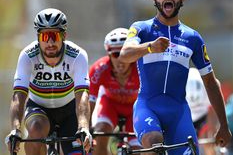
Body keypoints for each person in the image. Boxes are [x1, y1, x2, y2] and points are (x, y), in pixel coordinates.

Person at [118, 0, 231, 155]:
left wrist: (224, 125)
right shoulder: (141, 29)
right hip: (148, 107)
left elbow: (210, 82)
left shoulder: (193, 38)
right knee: (155, 144)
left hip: (178, 111)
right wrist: (149, 47)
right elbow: (125, 54)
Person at [5, 8, 92, 155]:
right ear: (38, 37)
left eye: (55, 36)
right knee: (36, 129)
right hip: (39, 108)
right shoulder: (28, 55)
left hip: (70, 110)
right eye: (45, 37)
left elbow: (82, 95)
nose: (50, 42)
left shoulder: (77, 55)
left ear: (64, 36)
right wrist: (15, 129)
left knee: (82, 148)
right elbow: (18, 96)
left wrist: (83, 126)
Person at [89, 28, 140, 155]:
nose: (120, 60)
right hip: (110, 105)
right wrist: (87, 128)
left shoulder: (140, 68)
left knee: (138, 149)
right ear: (109, 54)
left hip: (135, 107)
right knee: (100, 133)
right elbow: (90, 100)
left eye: (125, 54)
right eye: (116, 55)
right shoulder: (99, 68)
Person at [186, 68, 221, 155]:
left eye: (197, 105)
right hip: (186, 115)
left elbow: (213, 111)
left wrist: (213, 131)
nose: (195, 107)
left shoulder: (209, 89)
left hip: (204, 115)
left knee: (208, 141)